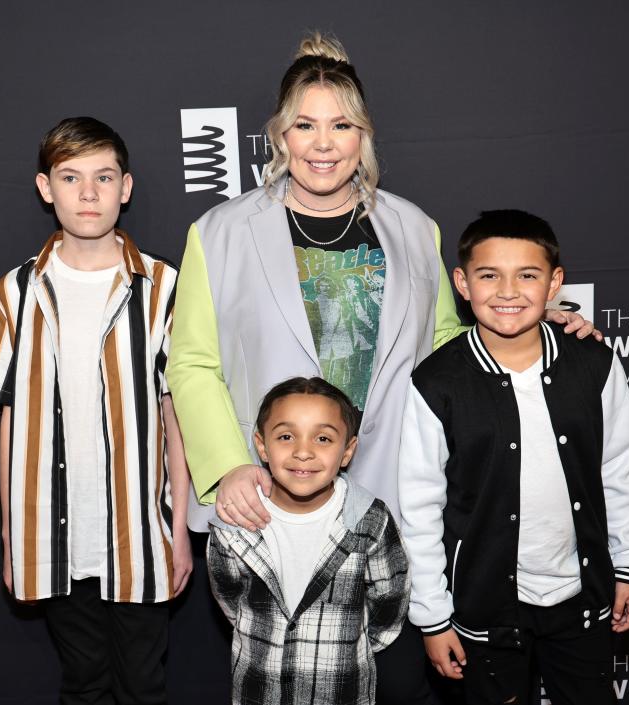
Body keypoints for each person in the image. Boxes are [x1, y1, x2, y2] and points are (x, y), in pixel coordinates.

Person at [166, 31, 596, 704]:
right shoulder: (218, 232)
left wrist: (544, 333)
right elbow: (190, 361)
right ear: (279, 136)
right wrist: (228, 467)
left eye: (341, 125)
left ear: (363, 135)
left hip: (394, 502)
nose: (323, 142)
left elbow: (454, 347)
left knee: (395, 682)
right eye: (305, 125)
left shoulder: (414, 228)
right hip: (274, 501)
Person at [0, 116, 192, 705]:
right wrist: (15, 541)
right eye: (70, 177)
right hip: (54, 536)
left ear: (127, 186)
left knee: (145, 685)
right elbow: (11, 425)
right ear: (46, 189)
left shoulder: (165, 287)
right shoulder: (13, 292)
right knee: (83, 684)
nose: (88, 194)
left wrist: (182, 531)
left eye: (103, 177)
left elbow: (176, 418)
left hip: (141, 533)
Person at [398, 210, 629, 704]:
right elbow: (420, 507)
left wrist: (628, 567)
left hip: (583, 597)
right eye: (489, 275)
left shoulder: (593, 363)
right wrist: (431, 615)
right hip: (484, 608)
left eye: (528, 275)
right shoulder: (436, 383)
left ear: (555, 282)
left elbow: (618, 471)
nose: (508, 291)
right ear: (462, 283)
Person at [208, 377, 409, 705]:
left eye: (323, 438)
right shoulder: (234, 526)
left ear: (347, 451)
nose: (303, 452)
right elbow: (230, 597)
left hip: (341, 691)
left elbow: (390, 601)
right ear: (261, 445)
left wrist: (348, 647)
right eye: (286, 436)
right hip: (258, 691)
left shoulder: (370, 521)